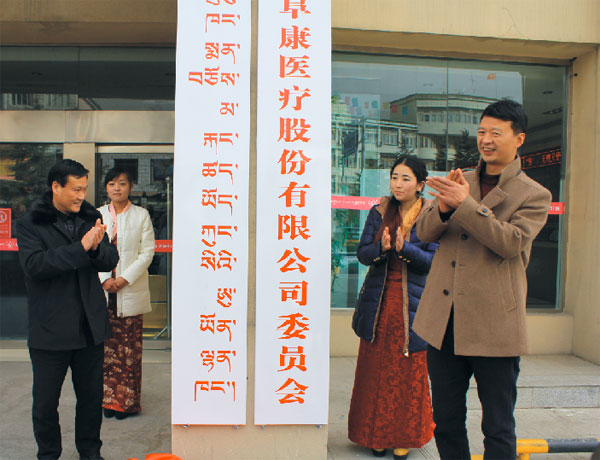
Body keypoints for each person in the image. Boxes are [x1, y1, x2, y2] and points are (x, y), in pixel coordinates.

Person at [413, 99, 552, 460]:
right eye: (481, 132)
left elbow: (511, 243)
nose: (486, 140)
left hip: (495, 327)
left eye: (495, 133)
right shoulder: (462, 179)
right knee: (445, 421)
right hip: (444, 321)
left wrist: (465, 205)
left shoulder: (534, 194)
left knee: (498, 427)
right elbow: (424, 232)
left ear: (518, 139)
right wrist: (444, 208)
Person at [16, 159, 118, 460]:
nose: (81, 196)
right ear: (56, 187)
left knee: (91, 398)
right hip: (50, 329)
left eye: (84, 189)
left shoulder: (91, 217)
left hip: (89, 326)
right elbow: (36, 266)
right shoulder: (30, 223)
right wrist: (82, 247)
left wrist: (96, 248)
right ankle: (48, 454)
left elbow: (110, 258)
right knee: (45, 403)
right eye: (75, 189)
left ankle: (90, 452)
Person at [348, 155, 438, 460]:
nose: (398, 184)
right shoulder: (379, 211)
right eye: (394, 177)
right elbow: (363, 254)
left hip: (413, 304)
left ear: (420, 185)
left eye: (406, 179)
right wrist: (382, 248)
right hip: (379, 303)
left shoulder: (432, 215)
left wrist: (405, 249)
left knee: (409, 373)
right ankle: (374, 435)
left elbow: (433, 261)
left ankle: (404, 437)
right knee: (374, 370)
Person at [98, 167, 155, 420]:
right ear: (106, 187)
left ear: (131, 187)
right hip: (102, 292)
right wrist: (105, 279)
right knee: (103, 350)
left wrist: (123, 279)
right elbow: (90, 251)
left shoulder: (141, 215)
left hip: (129, 290)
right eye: (112, 183)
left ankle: (126, 403)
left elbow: (147, 253)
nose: (117, 188)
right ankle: (107, 401)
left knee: (128, 349)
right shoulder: (97, 214)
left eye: (122, 183)